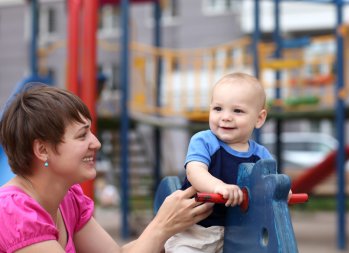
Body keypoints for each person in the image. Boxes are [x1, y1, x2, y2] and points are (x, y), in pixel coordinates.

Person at [0, 84, 213, 253]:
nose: (96, 143)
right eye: (82, 135)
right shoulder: (13, 213)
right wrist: (162, 225)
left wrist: (171, 231)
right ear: (42, 149)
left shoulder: (68, 199)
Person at [165, 72, 275, 253]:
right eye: (218, 109)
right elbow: (195, 172)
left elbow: (271, 182)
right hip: (195, 230)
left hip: (240, 233)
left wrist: (280, 192)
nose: (225, 117)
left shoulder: (261, 155)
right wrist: (219, 187)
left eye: (237, 111)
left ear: (259, 118)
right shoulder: (204, 141)